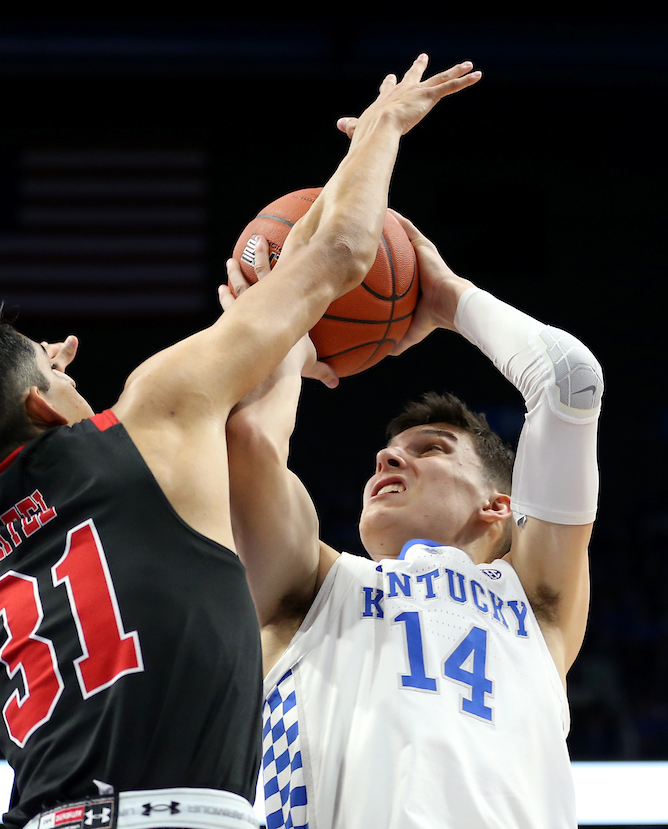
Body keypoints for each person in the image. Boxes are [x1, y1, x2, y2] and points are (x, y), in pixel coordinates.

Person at [0, 56, 480, 829]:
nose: (66, 347)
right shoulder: (153, 417)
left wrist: (281, 344)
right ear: (39, 403)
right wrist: (381, 130)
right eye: (48, 356)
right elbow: (342, 255)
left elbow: (242, 435)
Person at [222, 208, 601, 827]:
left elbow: (571, 384)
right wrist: (281, 327)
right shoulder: (317, 588)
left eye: (432, 449)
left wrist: (451, 299)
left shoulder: (536, 606)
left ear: (497, 506)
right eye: (391, 450)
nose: (389, 454)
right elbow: (248, 442)